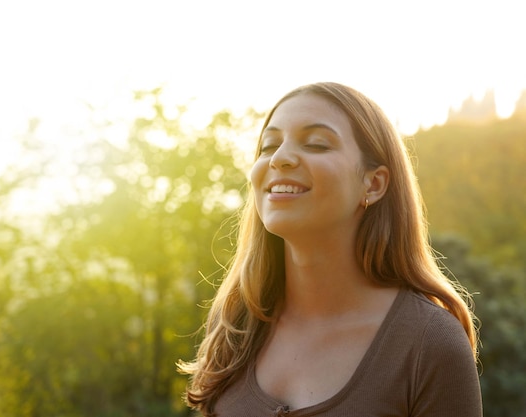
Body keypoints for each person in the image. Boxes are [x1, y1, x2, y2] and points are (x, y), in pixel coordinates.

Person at [178, 82, 482, 416]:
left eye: (317, 144)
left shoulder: (430, 344)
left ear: (374, 183)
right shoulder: (236, 327)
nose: (279, 159)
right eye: (269, 146)